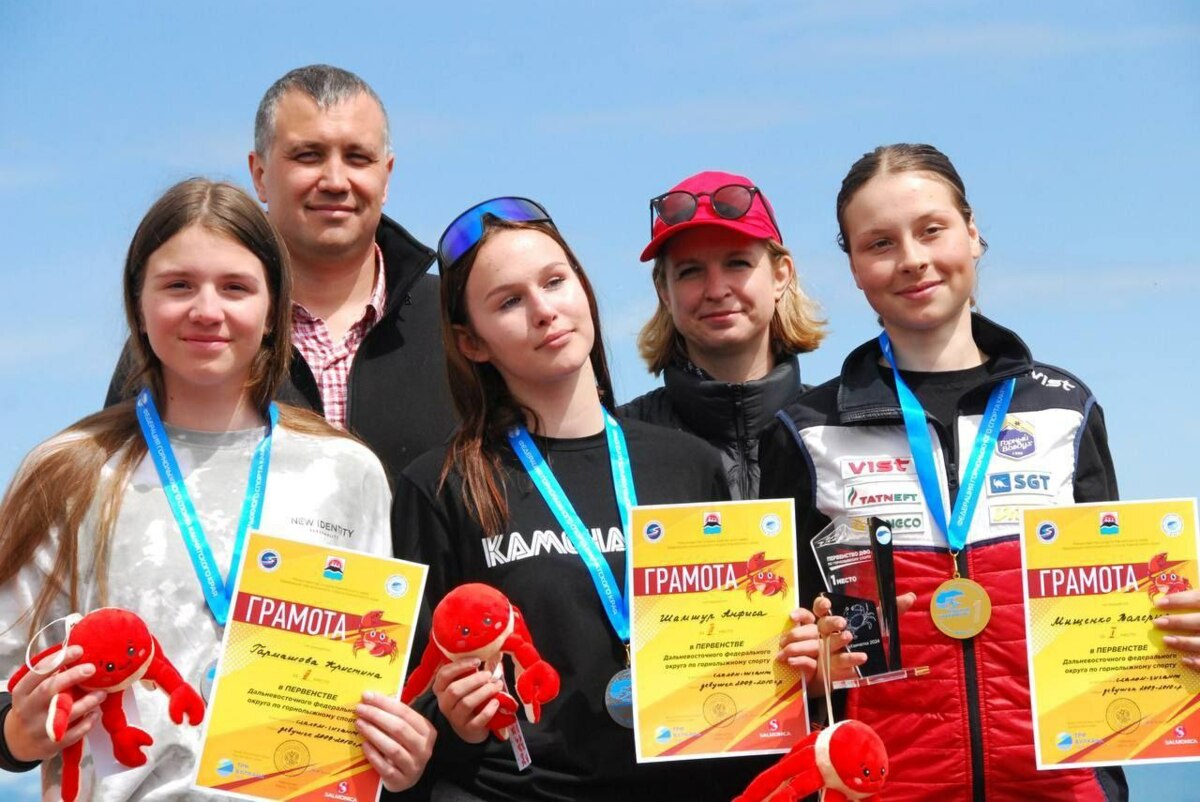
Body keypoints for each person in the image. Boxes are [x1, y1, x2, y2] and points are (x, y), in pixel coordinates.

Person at [1, 179, 434, 799]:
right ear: (138, 304)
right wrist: (18, 734)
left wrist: (401, 750)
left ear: (273, 309)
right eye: (178, 285)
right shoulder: (68, 473)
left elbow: (371, 691)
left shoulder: (346, 472)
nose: (207, 310)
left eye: (235, 287)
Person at [760, 144, 1131, 801]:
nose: (912, 259)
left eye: (931, 229)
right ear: (854, 267)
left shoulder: (1065, 408)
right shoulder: (806, 429)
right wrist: (804, 663)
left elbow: (1114, 611)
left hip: (1066, 786)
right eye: (879, 243)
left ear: (973, 232)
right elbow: (785, 649)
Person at [392, 197, 771, 801]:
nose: (545, 310)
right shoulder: (440, 485)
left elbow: (739, 650)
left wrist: (786, 657)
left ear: (584, 290)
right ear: (472, 343)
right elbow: (409, 697)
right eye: (509, 302)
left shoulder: (689, 465)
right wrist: (452, 718)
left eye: (554, 281)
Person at [106, 65, 455, 481]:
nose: (335, 180)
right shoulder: (190, 335)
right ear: (259, 174)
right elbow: (116, 482)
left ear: (386, 176)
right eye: (308, 156)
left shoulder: (456, 321)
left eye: (358, 158)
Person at [619, 171, 825, 499]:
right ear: (664, 291)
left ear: (780, 275)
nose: (716, 290)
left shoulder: (833, 428)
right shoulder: (619, 444)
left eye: (737, 263)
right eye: (690, 271)